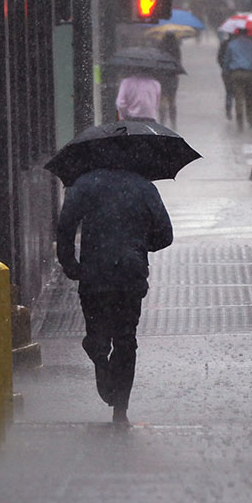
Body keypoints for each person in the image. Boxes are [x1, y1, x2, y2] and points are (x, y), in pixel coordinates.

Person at [56, 168, 173, 425]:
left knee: (99, 333)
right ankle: (121, 409)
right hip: (130, 275)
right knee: (126, 339)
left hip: (94, 273)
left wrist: (69, 263)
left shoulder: (84, 184)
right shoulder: (144, 186)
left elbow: (65, 226)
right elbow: (165, 234)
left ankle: (98, 354)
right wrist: (139, 243)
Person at [222, 30, 252, 130]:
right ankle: (251, 120)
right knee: (250, 98)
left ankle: (240, 121)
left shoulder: (231, 45)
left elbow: (227, 60)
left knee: (238, 99)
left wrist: (226, 72)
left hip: (236, 73)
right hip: (249, 73)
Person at [157, 33, 182, 129]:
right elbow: (179, 62)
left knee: (162, 100)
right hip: (172, 77)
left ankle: (162, 122)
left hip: (161, 76)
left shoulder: (160, 48)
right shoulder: (176, 49)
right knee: (172, 101)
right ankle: (173, 123)